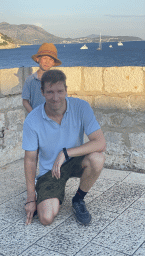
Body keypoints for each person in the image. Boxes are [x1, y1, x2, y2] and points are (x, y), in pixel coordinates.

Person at [22, 70, 106, 226]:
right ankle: (52, 196)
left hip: (74, 161)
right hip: (50, 170)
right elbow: (30, 160)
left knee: (97, 158)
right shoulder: (32, 119)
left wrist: (65, 153)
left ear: (66, 90)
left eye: (60, 91)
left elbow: (100, 143)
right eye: (50, 92)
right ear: (42, 92)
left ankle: (78, 200)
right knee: (45, 218)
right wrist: (30, 198)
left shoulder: (81, 107)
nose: (55, 98)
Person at [22, 43, 62, 113]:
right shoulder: (30, 80)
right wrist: (34, 115)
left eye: (50, 59)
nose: (47, 62)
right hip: (36, 120)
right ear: (38, 59)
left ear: (53, 63)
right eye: (44, 58)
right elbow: (25, 101)